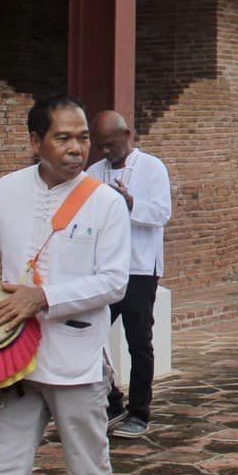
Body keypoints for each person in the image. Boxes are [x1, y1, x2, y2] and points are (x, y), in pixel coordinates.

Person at [0, 94, 130, 475]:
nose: (76, 149)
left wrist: (44, 297)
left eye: (83, 138)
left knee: (88, 473)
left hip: (75, 360)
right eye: (63, 138)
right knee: (0, 470)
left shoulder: (106, 202)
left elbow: (113, 282)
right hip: (11, 358)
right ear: (36, 142)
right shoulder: (7, 189)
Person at [88, 110, 172, 440]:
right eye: (100, 147)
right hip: (103, 269)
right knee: (86, 335)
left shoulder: (152, 167)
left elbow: (162, 213)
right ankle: (112, 400)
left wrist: (130, 201)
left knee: (139, 342)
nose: (106, 152)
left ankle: (140, 412)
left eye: (110, 145)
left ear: (128, 135)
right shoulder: (93, 173)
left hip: (139, 268)